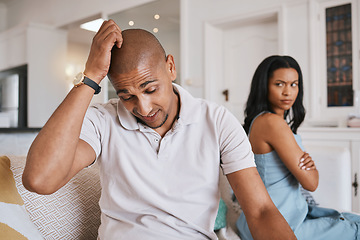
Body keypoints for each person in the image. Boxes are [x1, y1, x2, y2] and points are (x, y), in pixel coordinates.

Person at [22, 20, 296, 240]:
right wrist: (90, 77)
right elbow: (40, 180)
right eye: (126, 95)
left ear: (171, 67)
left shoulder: (217, 120)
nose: (143, 107)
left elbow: (260, 211)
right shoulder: (103, 120)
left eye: (150, 89)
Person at [236, 55, 360, 240]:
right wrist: (308, 165)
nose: (288, 92)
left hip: (257, 220)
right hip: (279, 224)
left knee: (348, 219)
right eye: (279, 84)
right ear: (264, 86)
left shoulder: (260, 121)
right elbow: (311, 183)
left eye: (294, 84)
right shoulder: (272, 123)